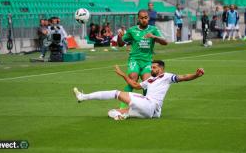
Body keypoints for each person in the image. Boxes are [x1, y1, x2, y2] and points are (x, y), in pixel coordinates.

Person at [73, 60, 205, 120]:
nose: (151, 69)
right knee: (111, 112)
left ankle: (83, 97)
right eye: (151, 67)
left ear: (161, 69)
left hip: (150, 104)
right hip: (149, 111)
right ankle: (124, 115)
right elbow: (136, 86)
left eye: (154, 68)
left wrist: (195, 75)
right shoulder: (150, 80)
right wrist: (124, 75)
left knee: (116, 93)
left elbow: (183, 77)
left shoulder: (166, 76)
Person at [117, 9, 168, 109]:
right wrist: (120, 37)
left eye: (145, 18)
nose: (144, 20)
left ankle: (145, 107)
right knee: (132, 79)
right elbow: (120, 44)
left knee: (147, 83)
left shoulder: (153, 29)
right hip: (134, 60)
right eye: (141, 18)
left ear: (148, 18)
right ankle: (122, 107)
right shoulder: (132, 30)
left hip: (147, 61)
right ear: (138, 19)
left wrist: (153, 36)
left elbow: (165, 42)